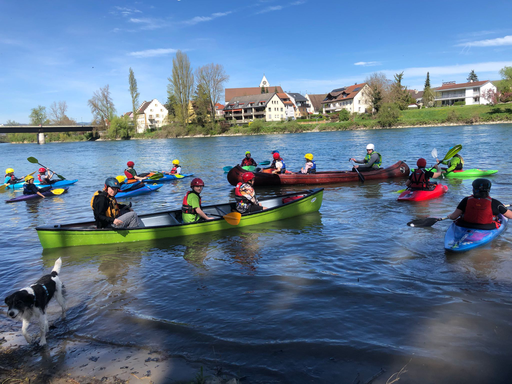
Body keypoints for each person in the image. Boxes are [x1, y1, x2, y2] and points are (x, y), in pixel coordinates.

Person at [447, 178, 512, 230]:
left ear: (474, 189)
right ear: (488, 189)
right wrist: (502, 208)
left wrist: (450, 216)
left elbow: (454, 217)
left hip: (466, 225)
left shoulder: (466, 200)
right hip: (487, 227)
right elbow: (510, 216)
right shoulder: (495, 203)